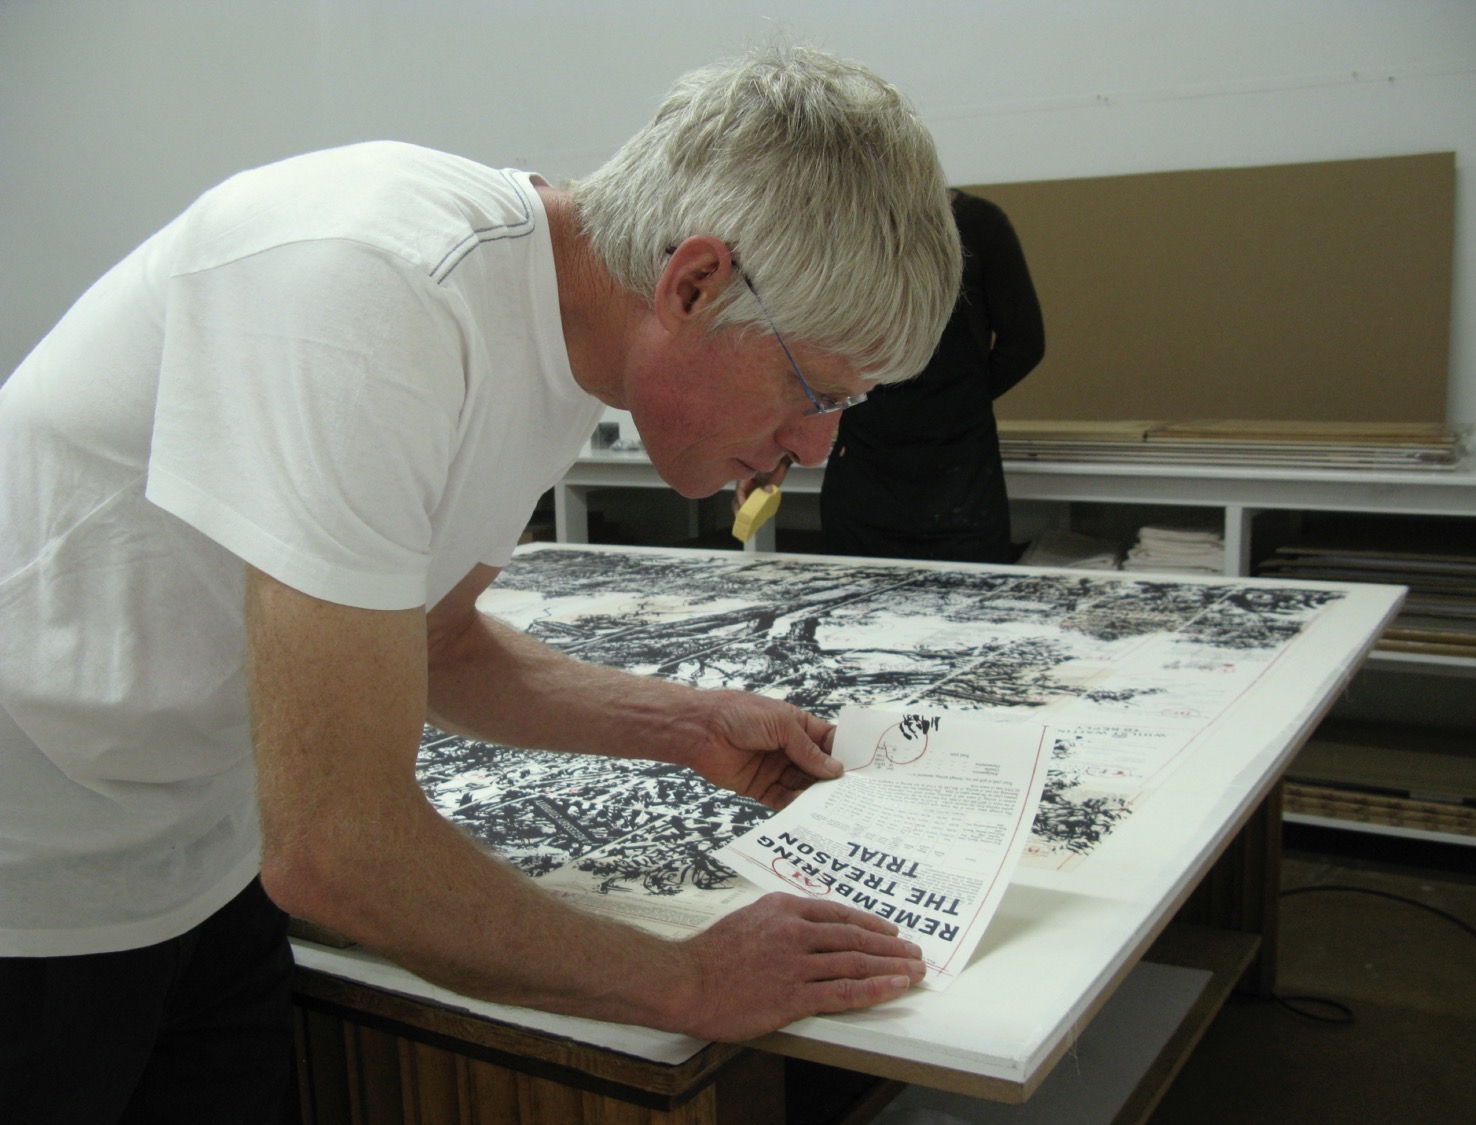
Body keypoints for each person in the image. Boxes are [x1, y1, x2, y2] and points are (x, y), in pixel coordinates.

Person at [0, 46, 961, 1122]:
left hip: (194, 844)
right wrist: (689, 979)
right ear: (694, 284)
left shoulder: (568, 331)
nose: (819, 445)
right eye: (812, 387)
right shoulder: (374, 284)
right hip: (31, 862)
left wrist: (687, 724)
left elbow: (438, 642)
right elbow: (336, 849)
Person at [745, 189, 1043, 563]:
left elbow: (1025, 344)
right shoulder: (840, 227)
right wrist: (780, 453)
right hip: (872, 476)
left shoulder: (977, 224)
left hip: (955, 482)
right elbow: (805, 356)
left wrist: (959, 401)